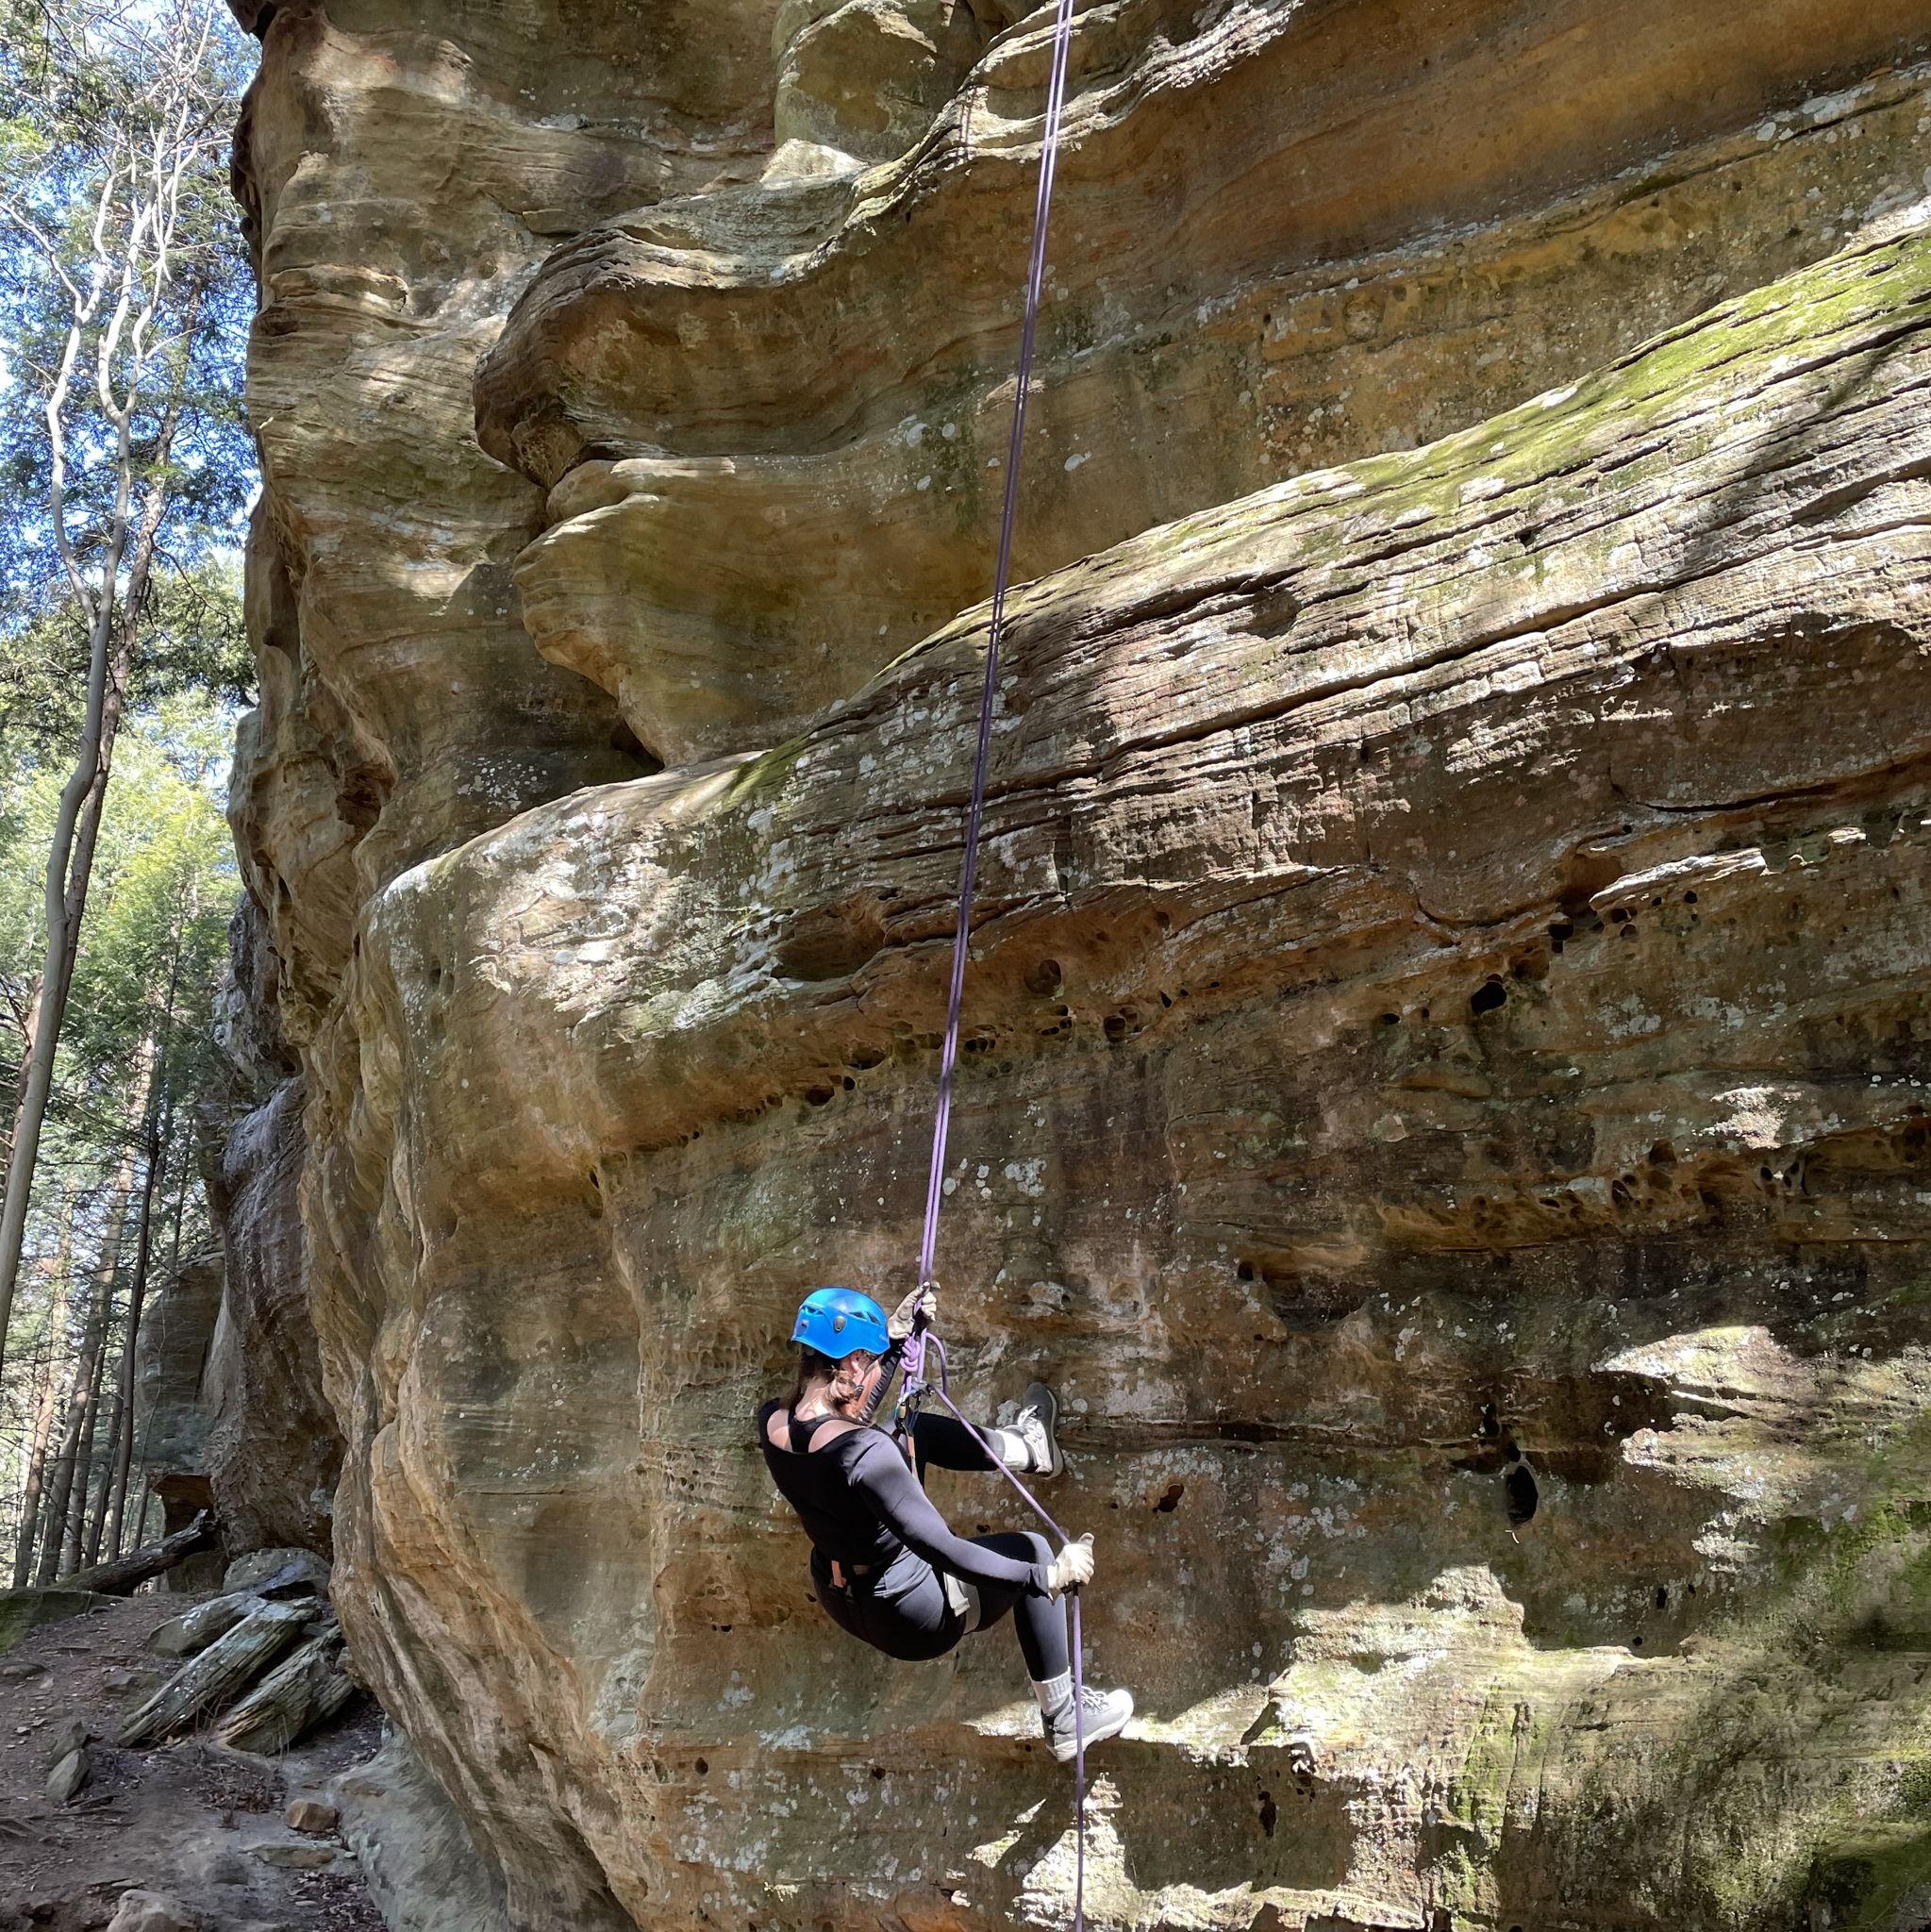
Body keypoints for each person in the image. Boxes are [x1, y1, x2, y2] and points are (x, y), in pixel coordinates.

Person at [757, 1285, 1134, 1761]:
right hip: (913, 1615)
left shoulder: (774, 1421)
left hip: (848, 1596)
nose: (875, 1372)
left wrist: (892, 1344)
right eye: (870, 1363)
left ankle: (1030, 1449)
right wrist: (1045, 1576)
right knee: (1033, 1550)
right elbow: (941, 1546)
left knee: (914, 1430)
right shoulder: (867, 1455)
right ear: (852, 1364)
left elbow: (842, 1428)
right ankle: (1064, 1718)